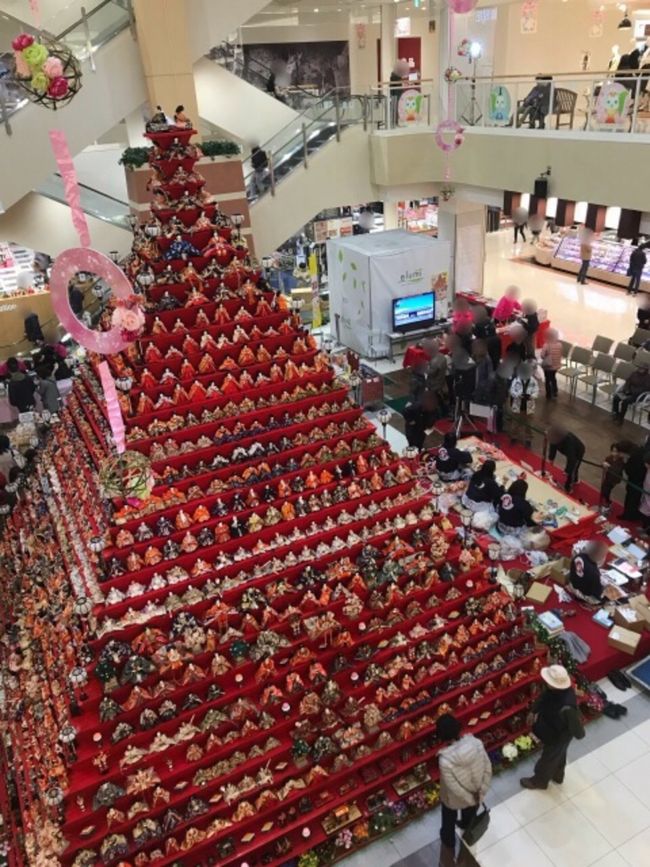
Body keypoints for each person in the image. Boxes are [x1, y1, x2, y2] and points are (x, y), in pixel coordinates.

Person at [437, 713, 492, 861]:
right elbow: (488, 767)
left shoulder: (445, 760)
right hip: (476, 792)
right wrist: (481, 792)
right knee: (469, 814)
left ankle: (448, 840)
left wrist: (469, 798)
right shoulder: (476, 743)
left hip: (454, 799)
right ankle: (466, 827)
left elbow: (453, 787)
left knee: (448, 818)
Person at [521, 664, 585, 790]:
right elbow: (543, 698)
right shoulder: (553, 690)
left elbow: (578, 731)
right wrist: (533, 711)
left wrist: (574, 734)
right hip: (551, 729)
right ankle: (558, 775)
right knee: (559, 755)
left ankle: (539, 781)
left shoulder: (567, 706)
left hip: (559, 735)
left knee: (548, 758)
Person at [547, 425, 585, 492]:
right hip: (567, 450)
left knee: (573, 469)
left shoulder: (568, 442)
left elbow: (572, 459)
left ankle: (569, 487)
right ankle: (575, 479)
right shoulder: (555, 436)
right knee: (573, 469)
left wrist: (567, 470)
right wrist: (551, 458)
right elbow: (553, 446)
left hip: (578, 451)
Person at [601, 441, 635, 511]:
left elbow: (618, 470)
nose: (614, 453)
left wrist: (609, 466)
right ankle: (607, 501)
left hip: (614, 479)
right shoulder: (609, 458)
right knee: (604, 489)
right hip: (607, 477)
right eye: (613, 451)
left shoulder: (621, 460)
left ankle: (608, 503)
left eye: (616, 451)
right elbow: (604, 466)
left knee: (607, 490)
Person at [540, 328, 563, 399]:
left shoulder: (546, 345)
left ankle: (549, 394)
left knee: (547, 379)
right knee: (553, 378)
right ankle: (555, 391)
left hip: (548, 366)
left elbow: (542, 356)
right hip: (556, 366)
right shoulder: (560, 345)